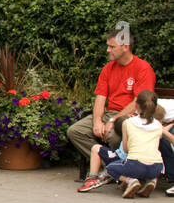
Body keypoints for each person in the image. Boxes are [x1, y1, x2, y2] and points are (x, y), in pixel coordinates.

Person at [67, 29, 159, 177]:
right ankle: (111, 166)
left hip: (130, 117)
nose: (108, 50)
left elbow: (139, 102)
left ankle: (115, 168)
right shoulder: (108, 68)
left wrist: (113, 120)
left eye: (112, 46)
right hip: (109, 114)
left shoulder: (143, 69)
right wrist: (97, 121)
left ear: (125, 47)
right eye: (108, 46)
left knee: (115, 136)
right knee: (75, 131)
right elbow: (100, 98)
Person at [79, 90, 174, 197]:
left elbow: (125, 149)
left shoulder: (128, 123)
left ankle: (129, 180)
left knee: (110, 168)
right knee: (137, 165)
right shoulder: (157, 125)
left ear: (136, 105)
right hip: (156, 168)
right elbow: (171, 139)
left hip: (135, 164)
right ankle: (150, 179)